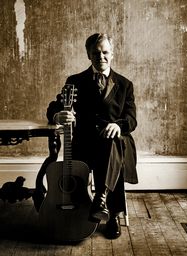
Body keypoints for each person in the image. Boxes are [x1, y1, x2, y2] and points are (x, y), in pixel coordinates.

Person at [47, 33, 138, 239]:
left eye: (105, 52)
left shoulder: (125, 85)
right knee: (108, 147)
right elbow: (55, 106)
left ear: (112, 54)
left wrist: (117, 125)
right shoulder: (75, 81)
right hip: (85, 144)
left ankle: (105, 204)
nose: (101, 56)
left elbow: (131, 119)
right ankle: (107, 207)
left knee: (112, 142)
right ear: (88, 55)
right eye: (96, 52)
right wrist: (58, 114)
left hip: (118, 143)